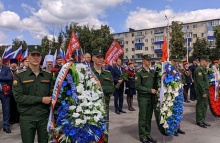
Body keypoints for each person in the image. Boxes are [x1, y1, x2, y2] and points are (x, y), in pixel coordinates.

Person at [12, 45, 53, 143]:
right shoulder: (19, 75)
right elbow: (18, 97)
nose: (35, 57)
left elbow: (53, 95)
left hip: (44, 116)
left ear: (41, 57)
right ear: (28, 57)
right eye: (33, 55)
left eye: (38, 55)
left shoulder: (48, 74)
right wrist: (41, 99)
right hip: (27, 117)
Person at [91, 48, 115, 143]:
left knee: (105, 131)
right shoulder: (88, 73)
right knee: (92, 130)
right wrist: (104, 88)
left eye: (101, 57)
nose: (100, 59)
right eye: (98, 57)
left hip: (105, 106)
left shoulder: (107, 73)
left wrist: (98, 88)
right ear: (93, 58)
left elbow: (112, 89)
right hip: (91, 107)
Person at [135, 55, 157, 143]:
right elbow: (137, 86)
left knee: (149, 117)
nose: (149, 62)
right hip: (143, 98)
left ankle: (148, 135)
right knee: (143, 117)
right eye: (148, 60)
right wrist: (149, 90)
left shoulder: (151, 72)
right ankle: (142, 136)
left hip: (151, 98)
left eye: (150, 60)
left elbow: (154, 83)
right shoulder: (139, 72)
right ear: (143, 61)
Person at [169, 55, 185, 136]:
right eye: (174, 61)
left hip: (179, 93)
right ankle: (173, 129)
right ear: (171, 61)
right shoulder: (169, 69)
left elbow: (181, 80)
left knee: (178, 111)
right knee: (173, 112)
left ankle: (178, 128)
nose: (176, 63)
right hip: (172, 94)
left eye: (177, 61)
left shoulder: (178, 70)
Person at [194, 55, 211, 128]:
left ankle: (203, 120)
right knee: (200, 106)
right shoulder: (199, 70)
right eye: (206, 61)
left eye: (208, 61)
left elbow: (206, 80)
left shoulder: (204, 69)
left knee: (205, 106)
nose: (207, 62)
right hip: (201, 91)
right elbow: (199, 82)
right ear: (202, 61)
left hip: (206, 90)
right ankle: (199, 121)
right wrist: (203, 92)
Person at [0, 57, 13, 133]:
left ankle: (6, 126)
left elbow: (10, 77)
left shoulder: (7, 68)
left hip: (4, 92)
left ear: (2, 61)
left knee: (6, 109)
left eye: (0, 61)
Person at [9, 59, 20, 124]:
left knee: (17, 106)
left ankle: (17, 119)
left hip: (18, 91)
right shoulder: (8, 71)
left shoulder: (19, 71)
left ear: (17, 64)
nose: (13, 64)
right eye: (12, 63)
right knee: (11, 106)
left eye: (15, 63)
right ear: (10, 64)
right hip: (9, 91)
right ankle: (11, 119)